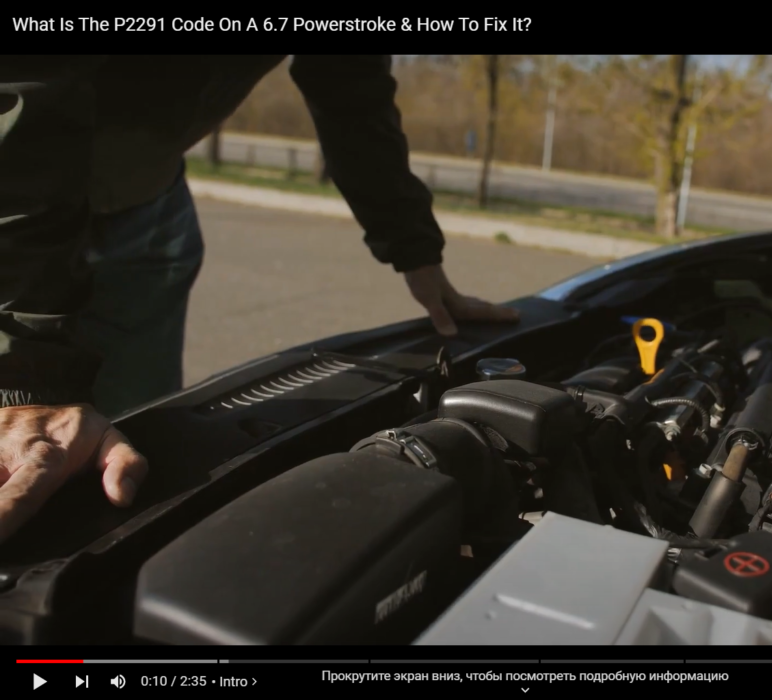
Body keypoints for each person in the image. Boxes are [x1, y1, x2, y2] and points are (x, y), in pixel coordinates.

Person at [0, 56, 519, 545]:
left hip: (145, 206)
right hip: (12, 196)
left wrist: (416, 250)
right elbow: (23, 84)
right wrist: (21, 376)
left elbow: (350, 83)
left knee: (130, 471)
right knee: (26, 455)